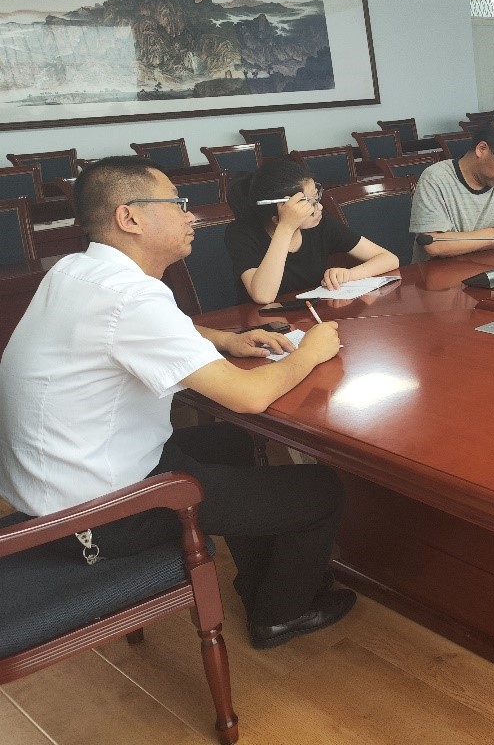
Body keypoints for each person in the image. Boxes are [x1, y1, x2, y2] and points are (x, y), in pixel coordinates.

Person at [0, 156, 354, 649]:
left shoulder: (77, 270)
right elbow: (249, 396)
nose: (191, 216)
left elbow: (151, 328)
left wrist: (225, 339)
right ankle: (283, 614)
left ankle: (260, 587)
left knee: (234, 444)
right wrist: (310, 352)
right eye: (177, 204)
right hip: (100, 517)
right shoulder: (131, 298)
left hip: (64, 486)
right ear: (130, 218)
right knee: (321, 489)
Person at [226, 157, 399, 304]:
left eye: (316, 198)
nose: (319, 207)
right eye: (310, 203)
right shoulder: (241, 233)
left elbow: (389, 259)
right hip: (262, 324)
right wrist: (286, 227)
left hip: (314, 316)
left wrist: (349, 274)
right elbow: (263, 296)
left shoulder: (320, 223)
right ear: (277, 216)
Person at [410, 116, 494, 259]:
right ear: (482, 149)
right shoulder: (435, 179)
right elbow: (434, 245)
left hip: (491, 264)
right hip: (441, 270)